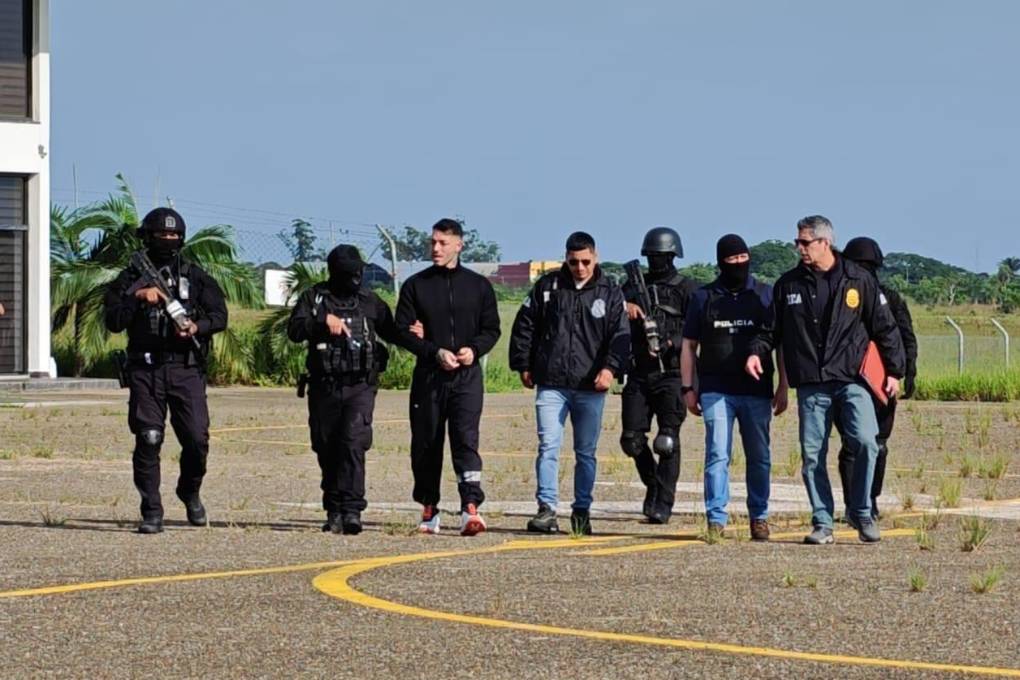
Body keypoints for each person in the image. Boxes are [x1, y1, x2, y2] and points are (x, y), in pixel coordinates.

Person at [746, 215, 904, 544]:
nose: (800, 248)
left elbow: (885, 327)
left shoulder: (859, 279)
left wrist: (895, 372)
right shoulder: (788, 285)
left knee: (866, 442)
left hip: (852, 380)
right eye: (797, 242)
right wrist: (755, 353)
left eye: (805, 242)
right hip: (811, 383)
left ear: (825, 243)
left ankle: (861, 511)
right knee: (812, 456)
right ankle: (822, 522)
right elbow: (770, 331)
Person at [104, 208, 227, 534]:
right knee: (149, 438)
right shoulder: (130, 278)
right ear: (148, 237)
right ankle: (152, 511)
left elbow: (220, 316)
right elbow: (113, 320)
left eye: (173, 235)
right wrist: (137, 297)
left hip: (185, 368)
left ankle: (189, 490)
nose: (168, 239)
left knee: (197, 440)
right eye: (162, 234)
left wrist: (196, 327)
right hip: (146, 370)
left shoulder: (194, 276)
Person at [509, 231, 630, 535]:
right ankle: (546, 509)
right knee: (548, 446)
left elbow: (620, 336)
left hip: (590, 387)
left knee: (585, 452)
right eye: (574, 262)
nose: (580, 268)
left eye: (586, 261)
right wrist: (523, 364)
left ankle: (581, 511)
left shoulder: (610, 291)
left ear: (595, 257)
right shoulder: (548, 286)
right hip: (552, 384)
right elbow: (525, 324)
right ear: (566, 258)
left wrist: (610, 369)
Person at [394, 218, 501, 536]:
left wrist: (474, 350)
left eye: (442, 243)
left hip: (467, 378)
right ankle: (429, 508)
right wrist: (433, 351)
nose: (436, 248)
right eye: (433, 242)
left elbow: (492, 329)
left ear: (459, 245)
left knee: (466, 440)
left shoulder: (479, 286)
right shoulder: (416, 285)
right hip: (429, 378)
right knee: (426, 442)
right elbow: (402, 331)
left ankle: (470, 507)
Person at [287, 245, 403, 535]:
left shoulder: (369, 301)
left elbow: (393, 332)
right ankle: (334, 509)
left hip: (360, 385)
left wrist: (421, 335)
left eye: (358, 271)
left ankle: (352, 510)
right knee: (326, 445)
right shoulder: (315, 298)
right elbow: (295, 330)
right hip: (324, 385)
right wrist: (321, 322)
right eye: (349, 272)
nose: (355, 277)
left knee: (353, 441)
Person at [681, 234, 787, 541]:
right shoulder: (703, 297)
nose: (738, 265)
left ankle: (759, 516)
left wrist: (783, 385)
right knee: (717, 453)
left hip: (757, 390)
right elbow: (689, 345)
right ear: (720, 263)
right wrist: (688, 387)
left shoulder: (765, 295)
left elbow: (779, 344)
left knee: (759, 456)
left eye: (743, 259)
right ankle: (716, 518)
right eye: (732, 260)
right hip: (715, 389)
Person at [619, 227, 699, 524]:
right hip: (639, 372)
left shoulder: (687, 289)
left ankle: (663, 503)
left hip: (673, 373)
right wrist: (624, 306)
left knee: (667, 441)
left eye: (661, 256)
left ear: (673, 256)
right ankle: (653, 484)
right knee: (631, 440)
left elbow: (697, 329)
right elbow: (609, 312)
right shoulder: (631, 288)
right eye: (652, 256)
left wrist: (671, 343)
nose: (656, 261)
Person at [836, 236, 918, 519]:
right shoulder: (840, 297)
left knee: (878, 445)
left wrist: (907, 372)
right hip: (847, 380)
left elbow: (906, 337)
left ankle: (870, 499)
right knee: (852, 444)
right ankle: (853, 504)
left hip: (883, 383)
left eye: (867, 266)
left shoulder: (890, 299)